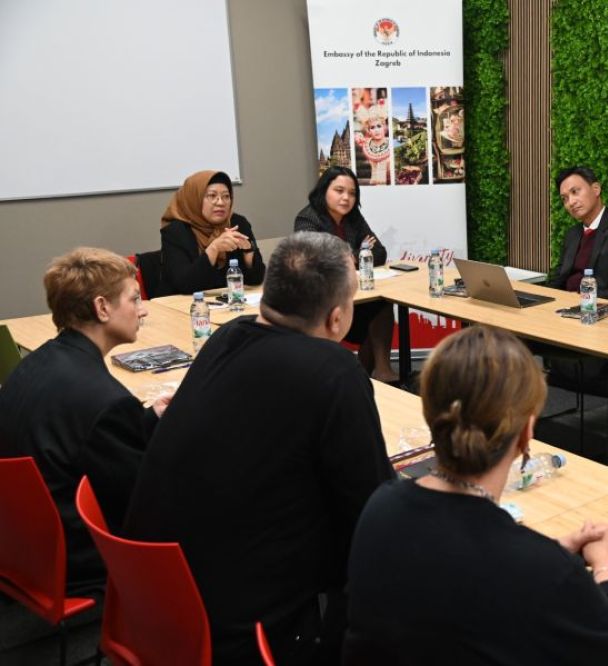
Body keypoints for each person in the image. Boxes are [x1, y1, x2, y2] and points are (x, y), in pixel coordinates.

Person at [123, 233, 395, 664]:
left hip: (154, 602)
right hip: (240, 631)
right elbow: (372, 505)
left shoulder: (227, 337)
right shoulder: (335, 371)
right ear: (337, 318)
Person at [344, 326, 608, 665]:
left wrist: (554, 550)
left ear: (431, 416)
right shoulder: (534, 569)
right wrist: (607, 565)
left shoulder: (381, 506)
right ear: (526, 434)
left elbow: (457, 565)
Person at [0, 248, 168, 597]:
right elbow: (142, 505)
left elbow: (82, 439)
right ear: (102, 308)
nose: (143, 310)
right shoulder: (106, 400)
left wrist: (148, 418)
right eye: (134, 299)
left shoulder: (35, 363)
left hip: (23, 548)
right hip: (79, 561)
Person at [294, 166, 397, 383]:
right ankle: (356, 379)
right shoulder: (307, 219)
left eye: (352, 193)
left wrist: (350, 255)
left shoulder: (353, 217)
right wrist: (358, 253)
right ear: (324, 190)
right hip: (324, 300)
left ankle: (380, 372)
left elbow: (379, 252)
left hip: (356, 294)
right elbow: (318, 261)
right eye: (339, 190)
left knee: (382, 304)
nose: (346, 198)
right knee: (372, 311)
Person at [550, 166, 608, 305]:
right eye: (564, 199)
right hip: (563, 305)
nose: (570, 202)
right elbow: (558, 279)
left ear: (596, 189)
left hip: (599, 309)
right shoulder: (572, 234)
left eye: (575, 192)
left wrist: (582, 295)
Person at [159, 170, 265, 296]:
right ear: (195, 199)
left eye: (226, 196)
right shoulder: (176, 231)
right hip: (184, 304)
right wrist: (214, 248)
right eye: (212, 196)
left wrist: (248, 252)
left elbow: (256, 279)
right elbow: (185, 285)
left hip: (229, 302)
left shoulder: (237, 223)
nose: (220, 202)